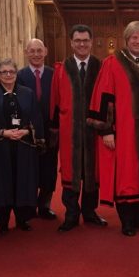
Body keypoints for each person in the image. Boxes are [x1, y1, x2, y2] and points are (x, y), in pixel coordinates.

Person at [88, 20, 139, 236]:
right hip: (125, 132)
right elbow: (104, 99)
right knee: (126, 176)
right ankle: (127, 221)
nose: (138, 41)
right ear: (127, 39)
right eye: (134, 38)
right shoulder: (112, 63)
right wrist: (106, 130)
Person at [49, 25, 106, 232]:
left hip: (93, 132)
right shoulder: (61, 68)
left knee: (92, 172)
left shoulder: (100, 67)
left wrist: (106, 128)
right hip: (69, 132)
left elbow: (107, 100)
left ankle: (90, 212)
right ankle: (71, 214)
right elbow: (55, 101)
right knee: (71, 173)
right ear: (71, 43)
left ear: (91, 42)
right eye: (78, 41)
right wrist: (54, 131)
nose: (82, 44)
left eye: (85, 40)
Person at [0, 58, 43, 234]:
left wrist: (26, 131)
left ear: (16, 73)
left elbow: (36, 117)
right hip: (1, 146)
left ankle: (22, 219)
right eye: (4, 72)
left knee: (22, 181)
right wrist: (3, 132)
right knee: (3, 183)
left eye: (11, 71)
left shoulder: (27, 93)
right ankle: (2, 222)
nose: (8, 75)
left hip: (24, 146)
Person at [16, 38, 58, 220]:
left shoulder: (54, 74)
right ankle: (28, 206)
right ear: (26, 53)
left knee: (49, 169)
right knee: (29, 169)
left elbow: (60, 101)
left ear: (46, 52)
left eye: (39, 50)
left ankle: (45, 205)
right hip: (28, 132)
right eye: (32, 51)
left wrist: (56, 126)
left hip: (51, 131)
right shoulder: (19, 75)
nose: (36, 54)